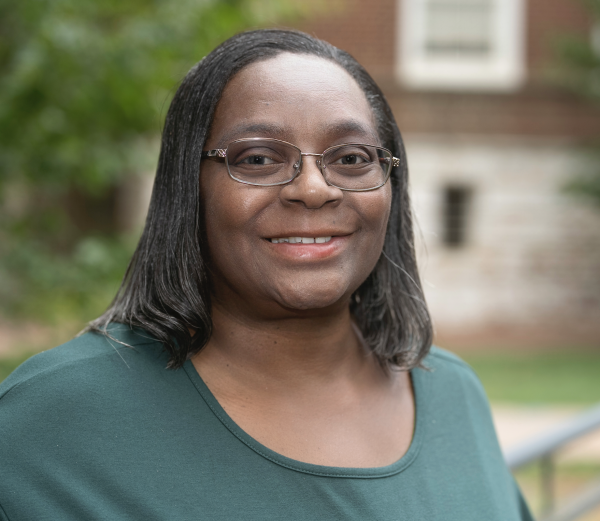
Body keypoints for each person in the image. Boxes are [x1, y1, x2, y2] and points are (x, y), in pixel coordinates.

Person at [0, 29, 533, 520]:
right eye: (257, 159)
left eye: (351, 157)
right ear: (189, 186)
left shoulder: (453, 393)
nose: (315, 188)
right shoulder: (53, 418)